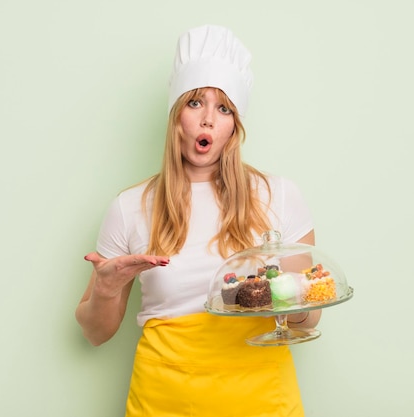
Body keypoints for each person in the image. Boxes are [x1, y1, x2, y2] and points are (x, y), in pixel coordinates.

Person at [75, 24, 321, 416]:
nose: (207, 120)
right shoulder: (129, 206)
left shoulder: (280, 196)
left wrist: (291, 294)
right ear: (176, 117)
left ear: (233, 129)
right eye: (195, 103)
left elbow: (307, 321)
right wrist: (104, 290)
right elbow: (94, 333)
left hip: (262, 398)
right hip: (163, 399)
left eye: (223, 109)